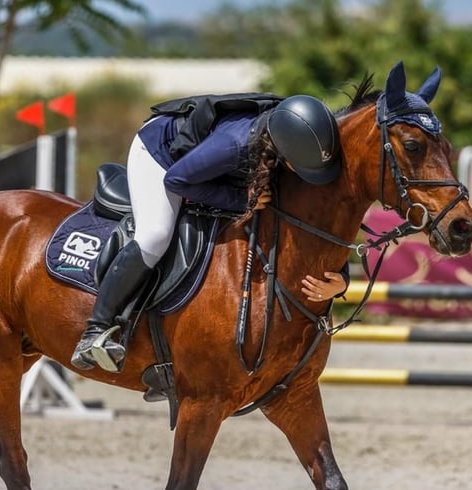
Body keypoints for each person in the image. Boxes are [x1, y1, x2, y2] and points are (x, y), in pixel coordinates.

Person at [72, 94, 350, 372]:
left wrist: (343, 279)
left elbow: (310, 220)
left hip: (211, 164)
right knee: (155, 235)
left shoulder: (297, 138)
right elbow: (177, 180)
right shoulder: (234, 145)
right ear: (288, 155)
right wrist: (241, 199)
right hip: (163, 155)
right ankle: (96, 329)